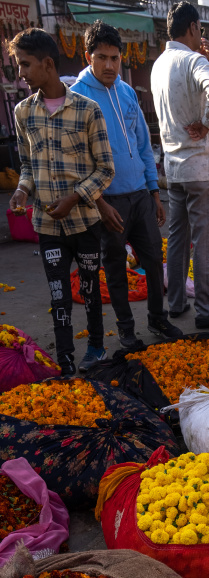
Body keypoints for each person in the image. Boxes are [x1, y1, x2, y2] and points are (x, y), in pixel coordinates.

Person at [8, 28, 115, 377]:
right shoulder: (24, 113)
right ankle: (66, 358)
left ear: (48, 64)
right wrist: (23, 190)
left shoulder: (88, 111)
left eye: (25, 64)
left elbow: (106, 170)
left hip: (84, 222)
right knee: (59, 297)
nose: (20, 73)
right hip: (47, 226)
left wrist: (74, 198)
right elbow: (27, 164)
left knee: (89, 290)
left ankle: (96, 347)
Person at [72, 21, 181, 347]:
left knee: (153, 261)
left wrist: (154, 193)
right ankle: (127, 331)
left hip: (140, 197)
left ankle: (158, 321)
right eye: (102, 57)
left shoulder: (126, 91)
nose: (109, 65)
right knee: (116, 269)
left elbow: (143, 145)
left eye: (115, 58)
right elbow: (78, 162)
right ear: (88, 56)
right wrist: (100, 203)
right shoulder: (77, 98)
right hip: (109, 202)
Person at [151, 1, 209, 329]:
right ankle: (206, 311)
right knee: (204, 240)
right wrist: (207, 122)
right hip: (200, 167)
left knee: (178, 237)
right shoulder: (192, 60)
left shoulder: (159, 64)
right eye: (201, 30)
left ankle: (177, 301)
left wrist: (203, 59)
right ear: (193, 27)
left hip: (174, 168)